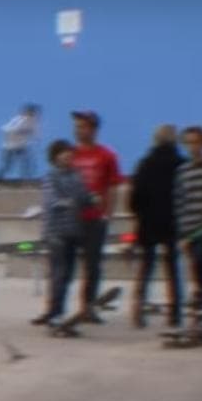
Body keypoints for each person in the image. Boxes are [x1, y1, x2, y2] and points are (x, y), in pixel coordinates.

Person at [70, 110, 124, 322]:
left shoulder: (107, 155)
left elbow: (113, 187)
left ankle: (88, 306)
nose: (78, 130)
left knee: (92, 265)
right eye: (76, 126)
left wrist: (108, 214)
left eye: (83, 126)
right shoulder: (70, 155)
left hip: (95, 219)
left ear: (93, 129)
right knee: (65, 265)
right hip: (72, 219)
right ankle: (55, 309)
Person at [129, 124, 185, 328]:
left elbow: (135, 197)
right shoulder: (181, 164)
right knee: (172, 269)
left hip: (148, 222)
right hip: (172, 221)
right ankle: (175, 314)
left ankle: (138, 309)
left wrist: (139, 214)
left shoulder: (145, 164)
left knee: (146, 267)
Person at [32, 140, 92, 327]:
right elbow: (52, 201)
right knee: (58, 273)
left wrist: (91, 199)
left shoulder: (76, 175)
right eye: (63, 153)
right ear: (55, 156)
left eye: (69, 153)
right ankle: (54, 312)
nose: (67, 156)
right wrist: (71, 202)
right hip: (55, 232)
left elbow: (83, 196)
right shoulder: (50, 177)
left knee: (68, 275)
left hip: (73, 231)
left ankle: (57, 310)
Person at [176, 126, 202, 314]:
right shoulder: (183, 171)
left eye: (196, 142)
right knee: (196, 267)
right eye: (188, 143)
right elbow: (179, 202)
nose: (192, 147)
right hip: (190, 228)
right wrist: (182, 234)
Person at [0, 104, 40, 181]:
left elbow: (35, 134)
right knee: (7, 165)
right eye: (30, 112)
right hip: (9, 146)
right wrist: (20, 132)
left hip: (21, 146)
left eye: (33, 113)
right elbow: (6, 129)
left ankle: (26, 178)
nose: (31, 114)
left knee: (26, 162)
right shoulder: (19, 119)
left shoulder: (34, 122)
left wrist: (32, 136)